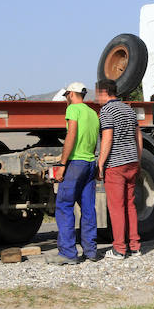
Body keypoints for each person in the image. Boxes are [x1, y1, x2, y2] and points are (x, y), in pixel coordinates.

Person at [47, 82, 101, 265]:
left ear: (70, 94)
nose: (66, 100)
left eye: (66, 96)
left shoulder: (73, 110)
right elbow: (95, 140)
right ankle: (91, 251)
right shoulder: (93, 113)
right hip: (89, 162)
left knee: (64, 205)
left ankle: (68, 253)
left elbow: (71, 136)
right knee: (87, 208)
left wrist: (62, 164)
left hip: (76, 163)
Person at [95, 79, 143, 259]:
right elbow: (138, 136)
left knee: (116, 207)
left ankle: (119, 249)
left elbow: (107, 138)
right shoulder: (128, 109)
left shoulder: (106, 111)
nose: (96, 97)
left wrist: (100, 163)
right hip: (132, 162)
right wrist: (138, 160)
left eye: (97, 93)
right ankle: (135, 246)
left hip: (115, 164)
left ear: (103, 92)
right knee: (130, 205)